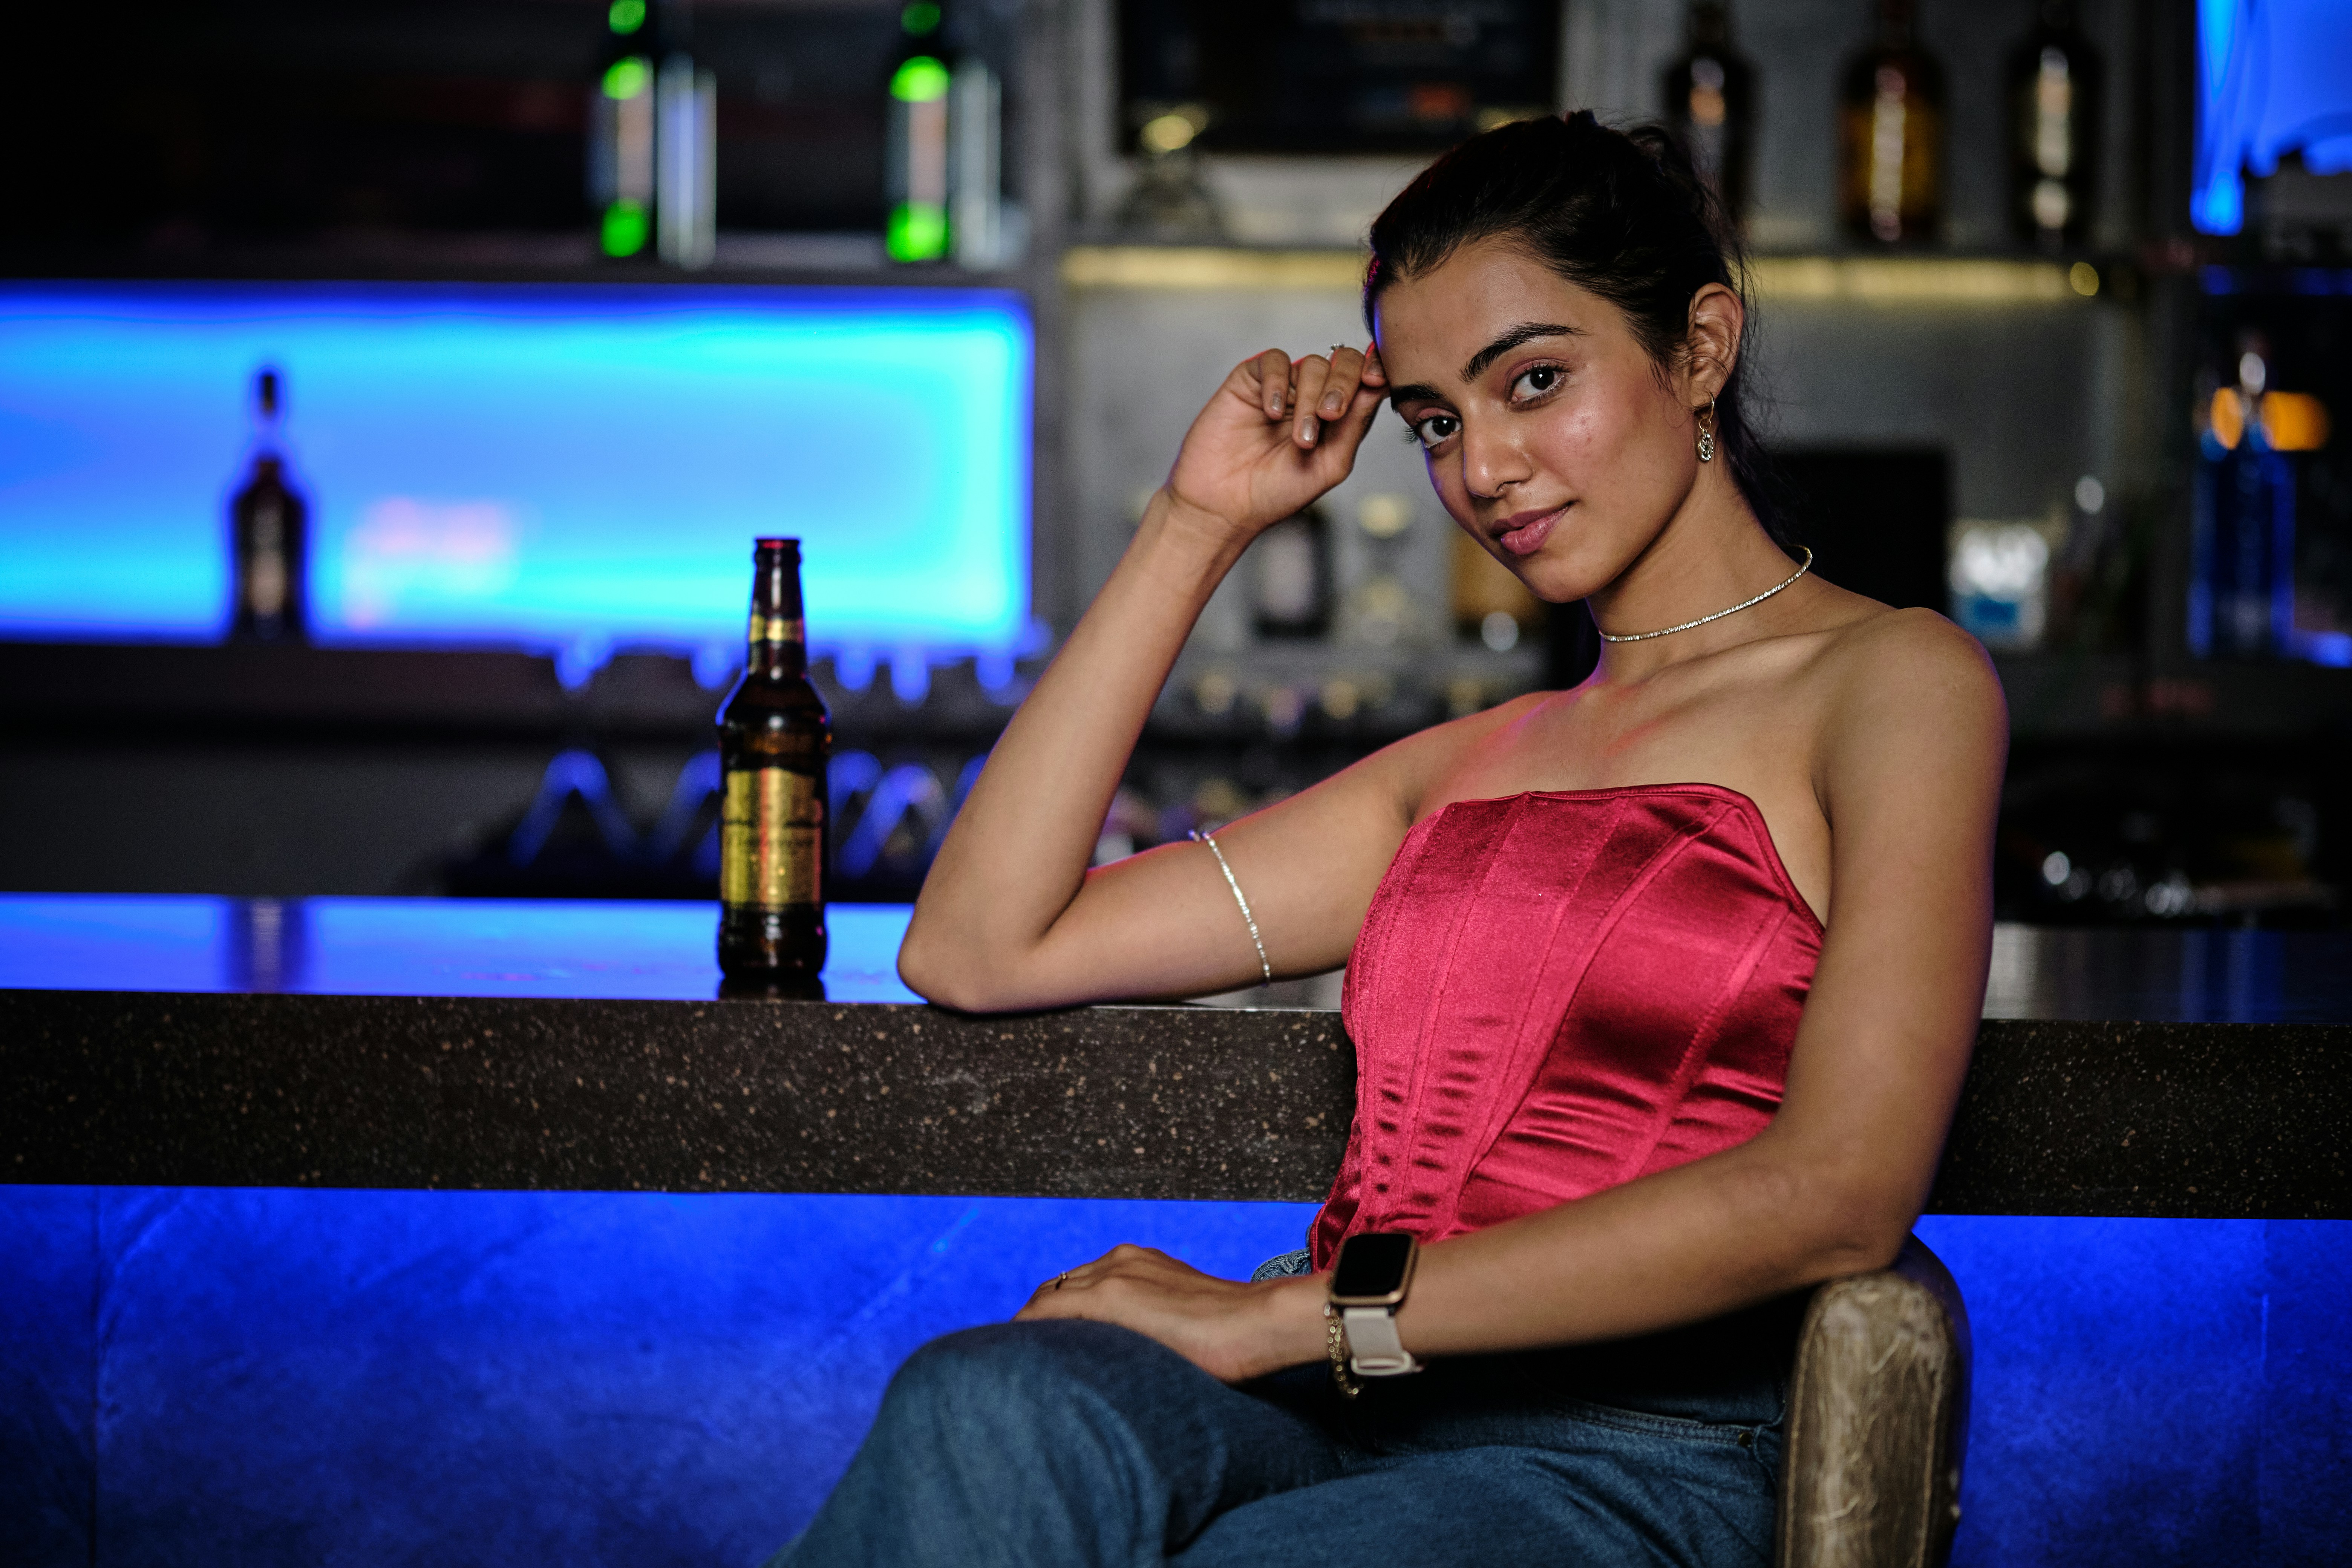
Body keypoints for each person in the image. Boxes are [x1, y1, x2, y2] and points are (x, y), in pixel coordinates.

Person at [774, 110, 2004, 1567]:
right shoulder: (1461, 772)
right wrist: (1196, 523)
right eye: (1435, 420)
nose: (1483, 469)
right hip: (1341, 1412)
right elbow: (978, 947)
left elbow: (1840, 1194)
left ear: (1700, 349)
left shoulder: (1896, 684)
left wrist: (1288, 1313)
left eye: (1534, 382)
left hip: (1633, 1460)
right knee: (983, 1408)